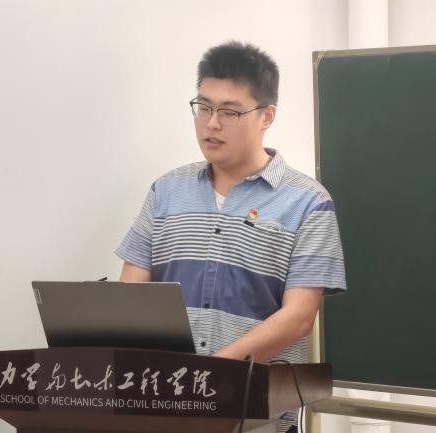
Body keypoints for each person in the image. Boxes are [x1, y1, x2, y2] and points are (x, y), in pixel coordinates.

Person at [115, 41, 346, 433]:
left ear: (266, 116)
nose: (211, 124)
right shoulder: (166, 191)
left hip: (254, 417)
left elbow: (298, 318)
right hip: (162, 412)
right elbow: (130, 295)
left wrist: (210, 373)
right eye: (203, 107)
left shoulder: (308, 202)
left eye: (229, 112)